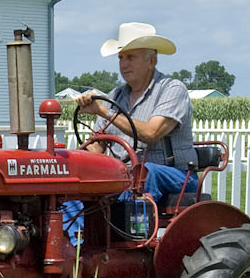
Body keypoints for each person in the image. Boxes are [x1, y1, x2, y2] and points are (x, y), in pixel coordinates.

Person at [76, 22, 197, 206]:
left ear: (152, 61)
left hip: (176, 175)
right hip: (125, 175)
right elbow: (97, 148)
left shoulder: (172, 89)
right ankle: (75, 233)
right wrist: (71, 161)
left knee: (144, 173)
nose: (124, 64)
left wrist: (105, 112)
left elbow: (151, 133)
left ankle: (122, 228)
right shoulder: (115, 96)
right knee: (72, 191)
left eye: (131, 57)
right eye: (121, 57)